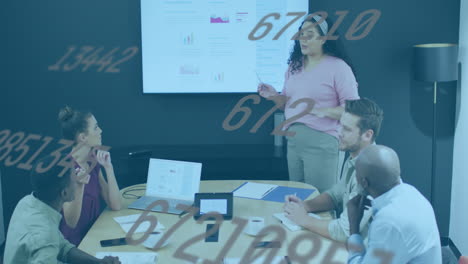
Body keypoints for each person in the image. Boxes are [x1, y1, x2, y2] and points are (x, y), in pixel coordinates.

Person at [258, 14, 359, 192]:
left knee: (322, 199)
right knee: (300, 198)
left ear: (324, 39)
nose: (303, 39)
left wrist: (321, 111)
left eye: (310, 34)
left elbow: (353, 110)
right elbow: (288, 105)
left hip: (323, 142)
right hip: (294, 142)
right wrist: (273, 95)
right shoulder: (294, 66)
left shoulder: (338, 67)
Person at [283, 98, 383, 242]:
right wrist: (305, 206)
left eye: (346, 129)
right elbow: (336, 195)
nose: (338, 132)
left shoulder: (371, 172)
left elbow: (345, 230)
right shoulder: (357, 158)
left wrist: (303, 219)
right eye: (340, 125)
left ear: (367, 135)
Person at [3, 155, 121, 264]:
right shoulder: (45, 239)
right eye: (74, 177)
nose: (78, 178)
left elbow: (63, 247)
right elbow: (49, 242)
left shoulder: (27, 202)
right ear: (64, 193)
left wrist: (98, 262)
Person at [347, 145, 441, 263]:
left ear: (364, 183)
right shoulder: (411, 192)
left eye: (357, 176)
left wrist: (353, 227)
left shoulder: (389, 221)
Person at [58, 106, 121, 245]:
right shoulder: (66, 168)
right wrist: (79, 185)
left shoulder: (92, 161)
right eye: (96, 128)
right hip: (74, 247)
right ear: (83, 137)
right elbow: (71, 223)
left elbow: (115, 205)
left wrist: (109, 168)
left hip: (94, 236)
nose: (100, 131)